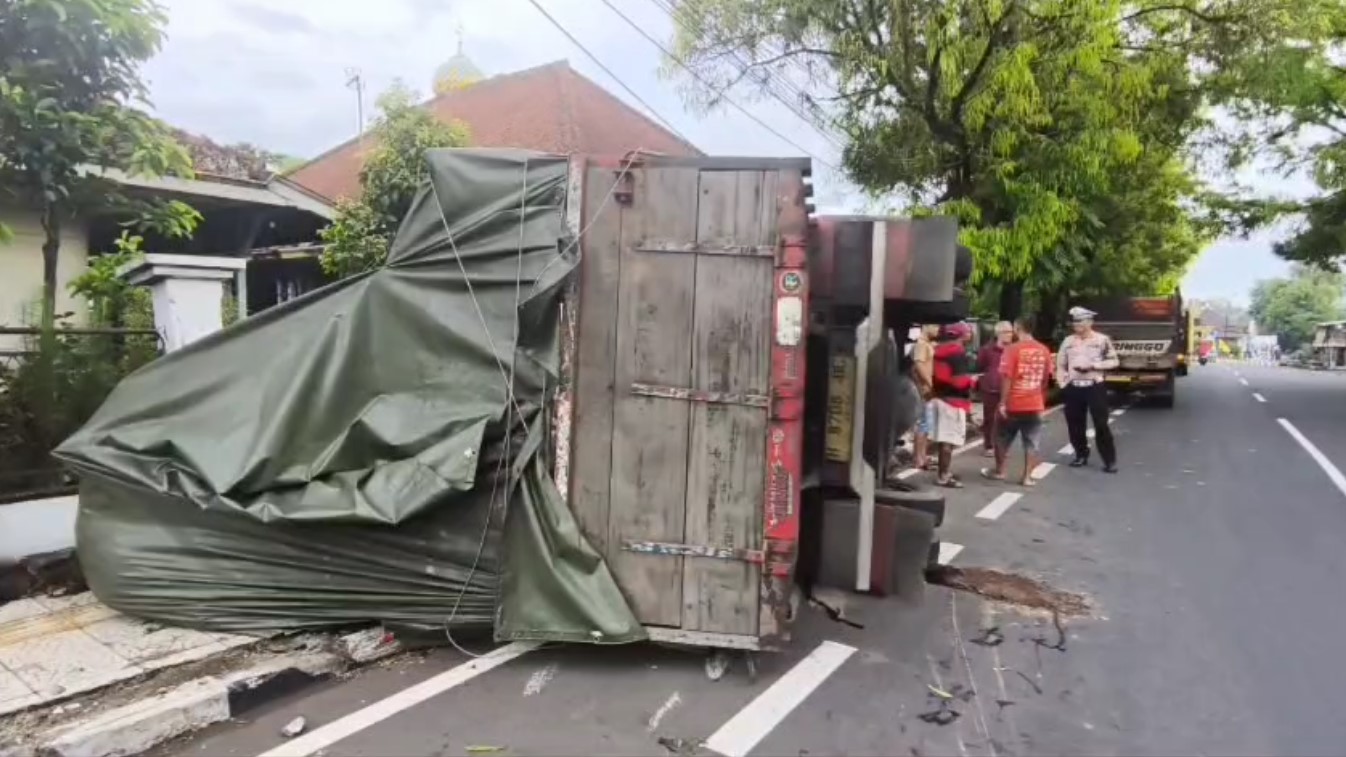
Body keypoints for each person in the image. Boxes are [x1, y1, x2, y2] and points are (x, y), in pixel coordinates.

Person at [982, 316, 1053, 486]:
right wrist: (1040, 399)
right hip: (1034, 403)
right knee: (1031, 441)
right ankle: (1027, 477)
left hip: (1014, 403)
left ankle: (1000, 471)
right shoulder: (1044, 350)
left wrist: (1003, 402)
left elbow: (1007, 377)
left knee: (1000, 437)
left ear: (1017, 328)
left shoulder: (1012, 349)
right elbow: (1046, 378)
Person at [1056, 306, 1119, 472]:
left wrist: (1093, 366)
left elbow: (1114, 361)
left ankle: (1109, 460)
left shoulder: (1102, 340)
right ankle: (1081, 454)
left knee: (1101, 424)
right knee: (1075, 424)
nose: (1077, 325)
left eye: (1080, 321)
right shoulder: (1068, 341)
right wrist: (1063, 383)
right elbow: (1060, 365)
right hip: (1074, 387)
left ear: (1090, 322)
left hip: (1094, 386)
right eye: (1075, 322)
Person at [930, 322, 976, 487]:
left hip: (939, 398)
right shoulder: (958, 353)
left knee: (943, 439)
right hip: (954, 402)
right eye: (967, 332)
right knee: (949, 440)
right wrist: (973, 381)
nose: (970, 334)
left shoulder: (938, 351)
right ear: (961, 335)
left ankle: (944, 472)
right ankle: (943, 476)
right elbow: (959, 382)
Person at [977, 321, 1013, 458]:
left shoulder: (1013, 349)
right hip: (990, 388)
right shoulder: (987, 349)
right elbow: (980, 366)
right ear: (998, 333)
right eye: (1006, 332)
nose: (1009, 335)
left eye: (1011, 332)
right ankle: (989, 445)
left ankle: (1003, 446)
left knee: (1007, 419)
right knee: (990, 418)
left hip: (1009, 389)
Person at [910, 324, 939, 471]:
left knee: (926, 424)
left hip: (927, 389)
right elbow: (919, 365)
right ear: (926, 327)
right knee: (923, 424)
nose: (938, 329)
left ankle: (923, 456)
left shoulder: (927, 344)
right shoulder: (921, 344)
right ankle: (918, 459)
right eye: (935, 326)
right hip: (924, 389)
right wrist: (930, 383)